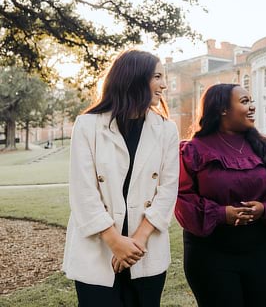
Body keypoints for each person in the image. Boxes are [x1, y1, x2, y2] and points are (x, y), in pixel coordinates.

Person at [62, 49, 179, 307]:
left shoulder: (167, 130)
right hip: (97, 248)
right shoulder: (87, 125)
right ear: (134, 77)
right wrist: (115, 242)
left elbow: (168, 189)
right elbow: (83, 192)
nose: (164, 85)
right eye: (157, 76)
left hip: (145, 250)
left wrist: (136, 242)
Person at [175, 83, 266, 307]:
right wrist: (222, 214)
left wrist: (264, 209)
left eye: (251, 101)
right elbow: (183, 199)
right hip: (210, 255)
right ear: (222, 108)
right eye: (244, 102)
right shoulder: (193, 150)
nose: (252, 107)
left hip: (260, 252)